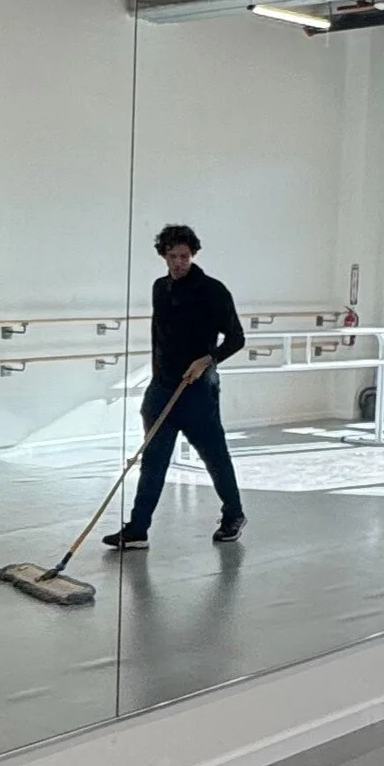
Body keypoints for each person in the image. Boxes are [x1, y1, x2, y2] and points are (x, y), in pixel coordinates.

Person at [104, 223, 248, 552]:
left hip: (198, 390)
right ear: (163, 256)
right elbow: (161, 341)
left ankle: (234, 515)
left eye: (184, 256)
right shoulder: (160, 288)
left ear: (193, 254)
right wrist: (158, 382)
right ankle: (138, 528)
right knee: (153, 460)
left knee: (214, 456)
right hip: (162, 390)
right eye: (172, 257)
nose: (178, 263)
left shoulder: (213, 290)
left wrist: (207, 360)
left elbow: (237, 338)